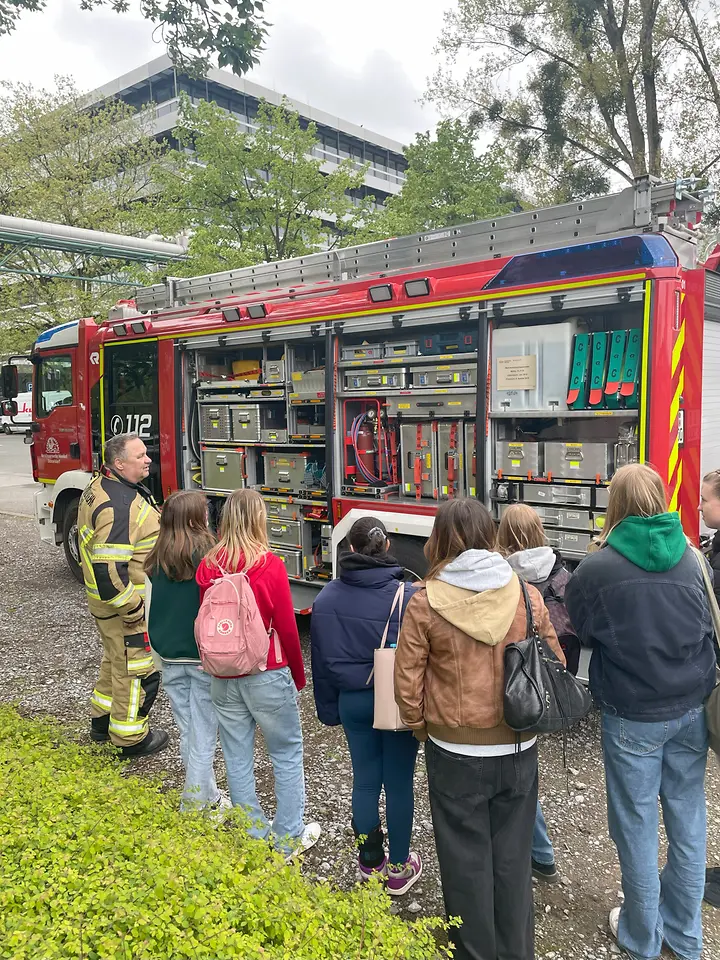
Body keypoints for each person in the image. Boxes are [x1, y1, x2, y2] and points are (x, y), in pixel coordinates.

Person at [395, 498, 564, 960]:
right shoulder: (526, 595)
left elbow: (407, 682)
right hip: (517, 744)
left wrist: (419, 727)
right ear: (490, 535)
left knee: (463, 860)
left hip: (453, 749)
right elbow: (556, 663)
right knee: (511, 860)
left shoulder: (425, 601)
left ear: (441, 538)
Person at [565, 463, 716, 960]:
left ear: (615, 506)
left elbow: (582, 631)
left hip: (632, 714)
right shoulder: (694, 558)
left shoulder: (598, 566)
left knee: (635, 824)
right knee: (689, 819)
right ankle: (686, 937)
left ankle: (640, 936)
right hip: (691, 707)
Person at [196, 488, 320, 855]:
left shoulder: (207, 566)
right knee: (285, 752)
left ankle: (252, 833)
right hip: (267, 672)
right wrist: (297, 675)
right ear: (258, 519)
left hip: (222, 674)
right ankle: (287, 839)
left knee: (235, 754)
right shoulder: (269, 565)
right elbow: (286, 626)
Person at [310, 517, 421, 895]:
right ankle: (399, 870)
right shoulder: (408, 596)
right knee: (400, 785)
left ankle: (369, 862)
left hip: (353, 702)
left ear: (351, 549)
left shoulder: (326, 598)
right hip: (397, 701)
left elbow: (321, 664)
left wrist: (329, 710)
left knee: (365, 781)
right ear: (387, 545)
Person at [497, 501, 583, 884]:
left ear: (505, 535)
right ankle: (541, 853)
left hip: (515, 686)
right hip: (550, 681)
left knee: (516, 776)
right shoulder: (562, 569)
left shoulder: (501, 577)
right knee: (525, 770)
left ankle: (536, 852)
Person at [78, 432, 168, 757]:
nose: (148, 460)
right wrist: (133, 608)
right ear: (119, 463)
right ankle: (130, 738)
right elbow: (108, 569)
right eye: (140, 455)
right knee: (139, 672)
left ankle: (101, 723)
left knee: (115, 660)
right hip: (124, 606)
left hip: (104, 606)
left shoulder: (99, 485)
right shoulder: (120, 506)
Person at [144, 489, 229, 812]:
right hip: (200, 655)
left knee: (188, 730)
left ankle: (208, 797)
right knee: (204, 734)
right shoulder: (208, 554)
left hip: (167, 653)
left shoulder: (157, 554)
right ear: (197, 518)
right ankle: (195, 804)